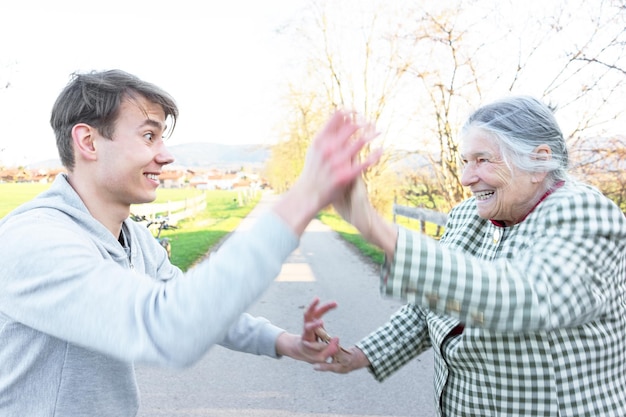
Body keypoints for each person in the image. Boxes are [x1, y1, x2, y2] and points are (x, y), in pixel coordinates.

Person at [0, 69, 378, 416]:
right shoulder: (34, 241)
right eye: (149, 135)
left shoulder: (135, 239)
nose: (165, 155)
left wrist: (285, 342)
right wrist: (303, 199)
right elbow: (171, 325)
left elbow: (191, 303)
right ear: (88, 142)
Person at [318, 95, 626, 416]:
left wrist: (375, 228)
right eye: (465, 161)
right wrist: (359, 354)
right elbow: (432, 303)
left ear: (538, 162)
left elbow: (523, 300)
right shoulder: (468, 215)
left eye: (482, 160)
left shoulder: (588, 216)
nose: (467, 178)